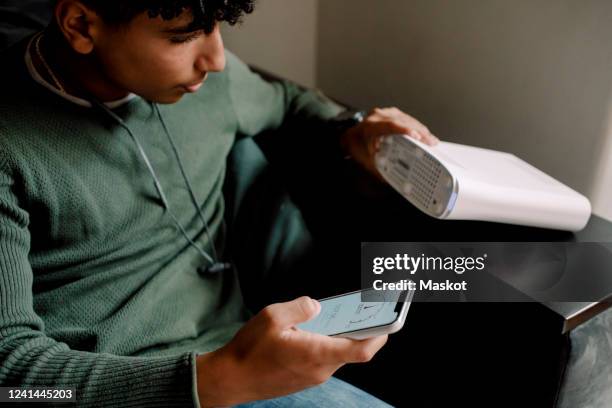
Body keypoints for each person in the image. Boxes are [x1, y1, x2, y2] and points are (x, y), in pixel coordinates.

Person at [0, 1, 438, 406]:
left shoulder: (207, 85)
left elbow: (289, 102)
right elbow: (12, 381)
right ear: (79, 24)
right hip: (122, 386)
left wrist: (356, 130)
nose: (217, 60)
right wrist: (217, 379)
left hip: (239, 345)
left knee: (483, 280)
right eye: (182, 37)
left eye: (216, 28)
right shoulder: (10, 146)